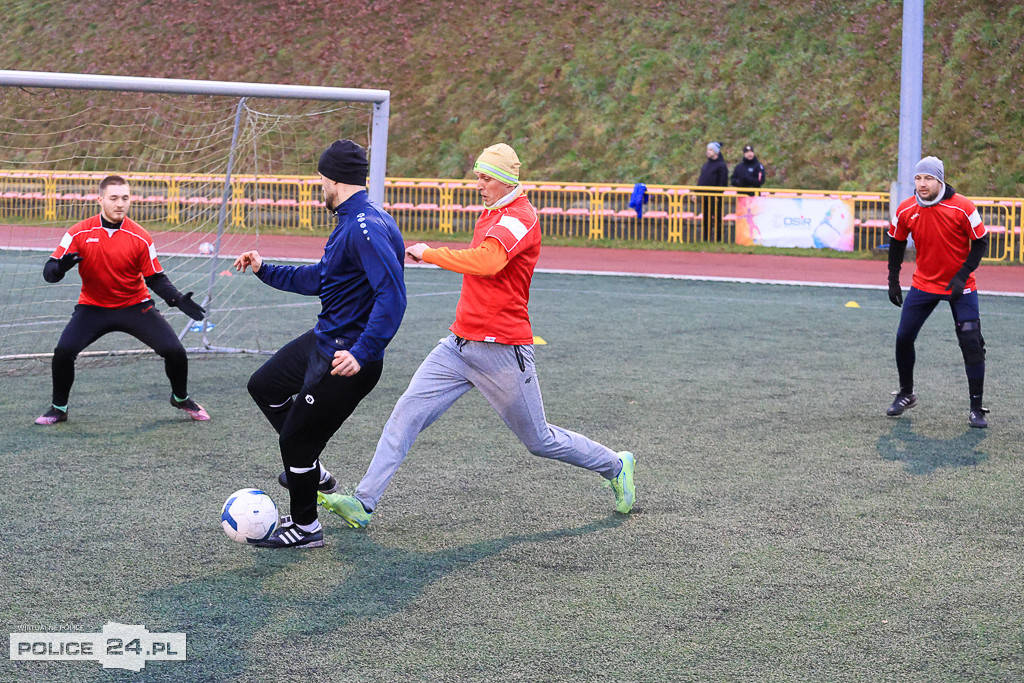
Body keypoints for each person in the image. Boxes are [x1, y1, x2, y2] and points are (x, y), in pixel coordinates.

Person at [318, 142, 636, 529]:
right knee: (405, 415)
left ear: (504, 180)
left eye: (486, 178)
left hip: (503, 352)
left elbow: (487, 262)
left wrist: (431, 253)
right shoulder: (491, 213)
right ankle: (363, 503)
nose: (479, 185)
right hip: (457, 346)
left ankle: (616, 465)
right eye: (478, 177)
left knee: (539, 440)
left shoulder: (520, 217)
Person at [233, 139, 407, 549]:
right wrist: (265, 270)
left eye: (320, 180)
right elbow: (322, 278)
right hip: (325, 340)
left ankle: (306, 526)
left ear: (333, 180)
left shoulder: (366, 227)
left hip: (346, 357)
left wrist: (362, 353)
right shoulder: (353, 220)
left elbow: (392, 297)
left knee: (293, 440)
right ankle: (311, 468)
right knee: (265, 386)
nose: (319, 187)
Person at [35, 175, 209, 426]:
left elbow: (155, 278)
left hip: (135, 306)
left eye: (125, 198)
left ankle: (180, 398)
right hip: (92, 307)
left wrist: (177, 299)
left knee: (174, 351)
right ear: (100, 200)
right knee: (64, 352)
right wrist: (59, 269)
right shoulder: (78, 232)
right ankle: (58, 408)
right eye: (113, 198)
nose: (120, 204)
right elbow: (49, 272)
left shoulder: (140, 237)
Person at [886, 156, 990, 428]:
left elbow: (981, 242)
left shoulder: (963, 207)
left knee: (971, 343)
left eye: (928, 178)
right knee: (903, 337)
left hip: (961, 286)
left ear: (940, 181)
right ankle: (906, 394)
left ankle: (976, 408)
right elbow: (896, 243)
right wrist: (893, 280)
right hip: (924, 284)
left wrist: (961, 276)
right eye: (918, 178)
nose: (922, 184)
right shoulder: (906, 209)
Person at [697, 141, 729, 241]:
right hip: (705, 196)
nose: (708, 152)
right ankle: (706, 239)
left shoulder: (721, 165)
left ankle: (718, 239)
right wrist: (696, 192)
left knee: (717, 219)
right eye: (708, 149)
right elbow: (702, 179)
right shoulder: (706, 165)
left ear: (716, 152)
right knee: (706, 218)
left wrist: (717, 194)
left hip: (715, 197)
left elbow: (723, 182)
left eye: (710, 150)